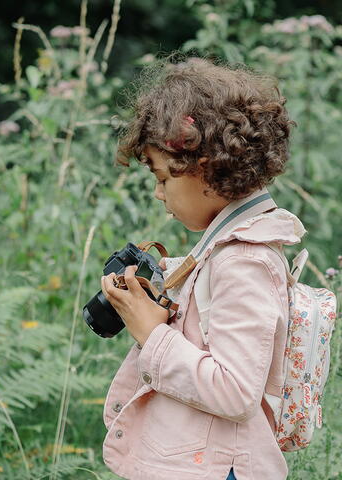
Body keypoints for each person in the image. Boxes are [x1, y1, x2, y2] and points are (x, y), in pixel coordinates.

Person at [100, 55, 306, 480]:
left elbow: (234, 392)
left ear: (203, 168)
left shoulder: (244, 260)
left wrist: (152, 334)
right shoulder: (225, 250)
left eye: (162, 179)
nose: (159, 194)